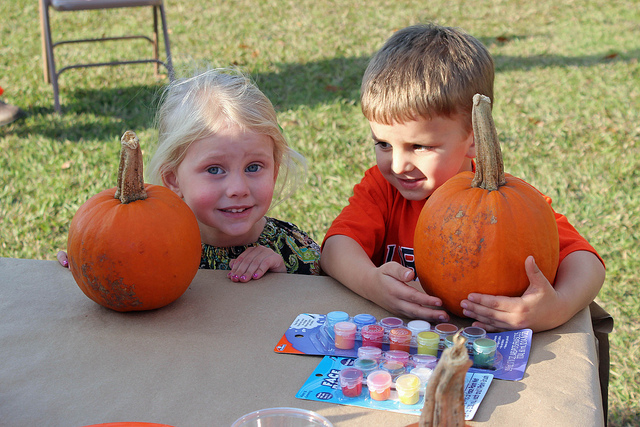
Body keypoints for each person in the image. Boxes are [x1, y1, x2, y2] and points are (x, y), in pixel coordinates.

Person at [320, 23, 606, 333]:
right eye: (384, 144)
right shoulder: (383, 189)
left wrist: (556, 307)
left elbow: (585, 262)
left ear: (473, 139)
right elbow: (336, 248)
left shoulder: (510, 203)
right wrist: (371, 283)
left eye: (420, 146)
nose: (399, 165)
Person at [59, 67, 321, 280]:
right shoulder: (149, 246)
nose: (238, 188)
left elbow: (327, 305)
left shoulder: (292, 250)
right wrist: (89, 258)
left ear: (274, 170)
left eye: (254, 167)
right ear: (173, 179)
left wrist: (285, 277)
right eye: (214, 169)